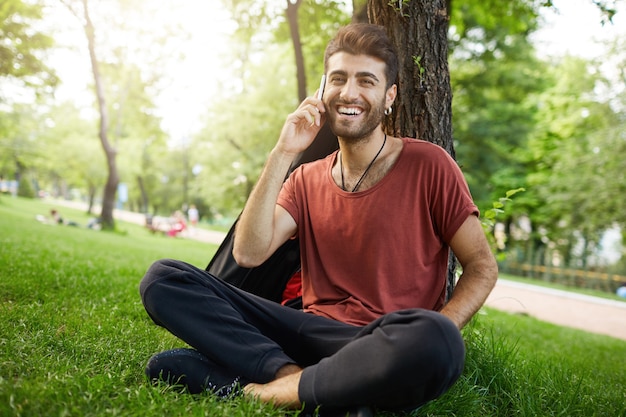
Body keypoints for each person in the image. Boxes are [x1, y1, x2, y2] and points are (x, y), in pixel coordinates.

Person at [139, 23, 498, 416]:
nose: (350, 92)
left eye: (366, 81)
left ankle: (264, 392)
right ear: (323, 91)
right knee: (164, 279)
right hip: (305, 329)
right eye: (339, 79)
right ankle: (299, 382)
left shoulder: (429, 164)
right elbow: (248, 252)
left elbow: (481, 267)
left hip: (384, 341)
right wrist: (283, 151)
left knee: (439, 338)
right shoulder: (306, 178)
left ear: (389, 96)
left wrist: (442, 325)